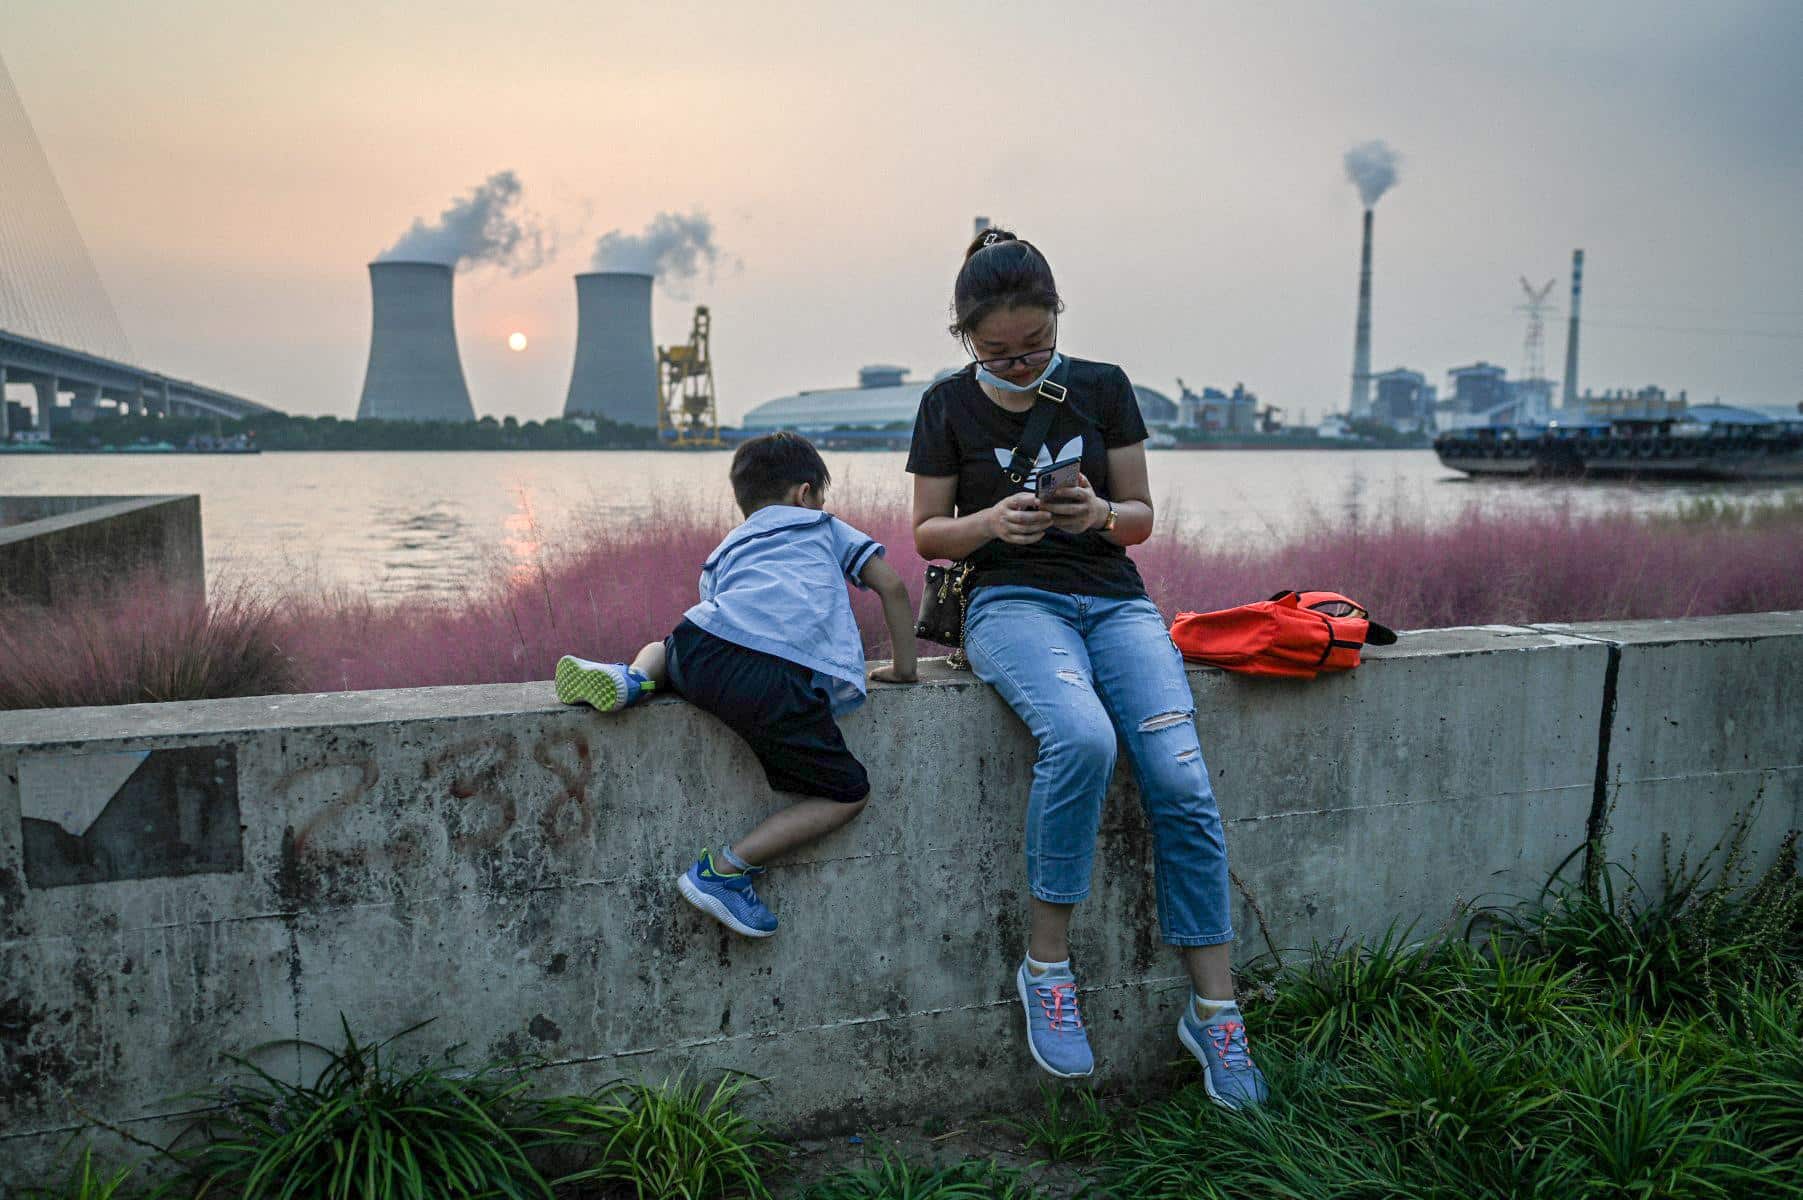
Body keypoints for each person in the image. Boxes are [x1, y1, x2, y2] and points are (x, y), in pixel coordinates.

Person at [905, 229, 1268, 1109]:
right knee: (1080, 738)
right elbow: (925, 533)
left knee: (1179, 776)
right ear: (966, 340)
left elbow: (1140, 518)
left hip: (1112, 599)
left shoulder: (1102, 387)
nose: (1020, 364)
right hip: (1007, 604)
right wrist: (994, 523)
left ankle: (1216, 1013)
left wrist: (1098, 510)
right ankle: (1046, 968)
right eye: (997, 351)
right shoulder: (945, 406)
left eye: (1035, 346)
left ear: (1058, 319)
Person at [555, 431, 918, 938]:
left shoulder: (730, 544)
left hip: (700, 642)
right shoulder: (822, 525)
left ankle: (633, 677)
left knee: (670, 644)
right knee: (847, 792)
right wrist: (904, 668)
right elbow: (892, 586)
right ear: (806, 493)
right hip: (769, 675)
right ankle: (725, 872)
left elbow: (718, 615)